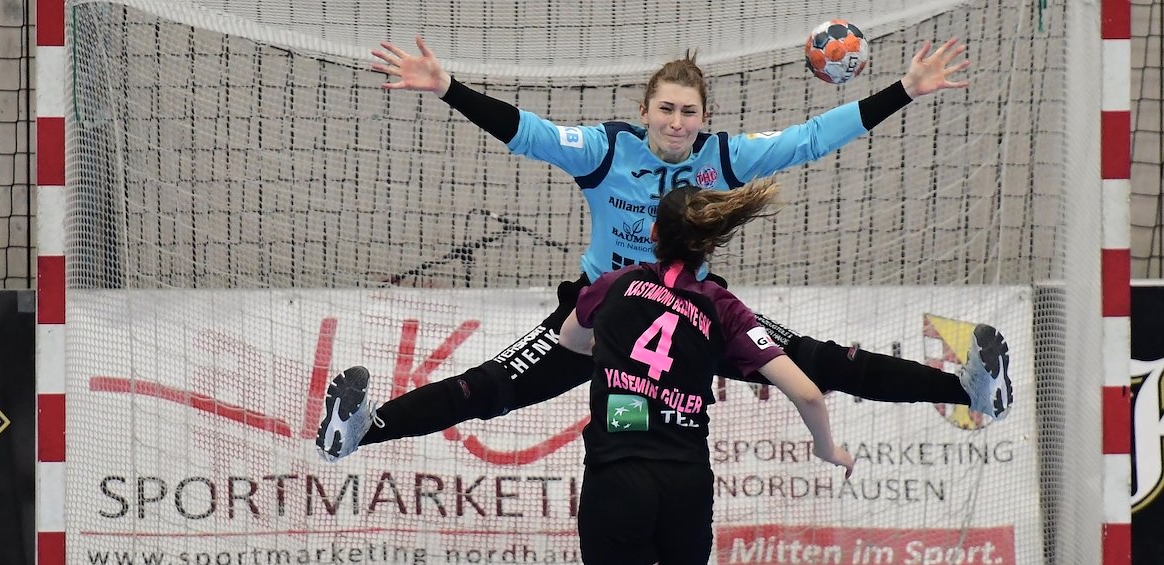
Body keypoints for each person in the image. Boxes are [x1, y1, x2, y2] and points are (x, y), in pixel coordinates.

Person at [315, 36, 1014, 462]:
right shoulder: (605, 149)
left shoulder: (724, 157)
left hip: (692, 315)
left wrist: (903, 90)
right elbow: (528, 132)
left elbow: (810, 139)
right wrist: (448, 88)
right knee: (495, 386)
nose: (677, 123)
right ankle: (361, 431)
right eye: (666, 109)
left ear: (704, 118)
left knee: (818, 361)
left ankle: (966, 390)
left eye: (689, 112)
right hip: (599, 315)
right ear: (645, 109)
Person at [559, 180, 852, 564]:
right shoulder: (723, 307)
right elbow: (809, 394)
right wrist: (827, 449)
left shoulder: (616, 283)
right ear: (709, 245)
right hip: (686, 481)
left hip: (616, 472)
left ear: (653, 232)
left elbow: (569, 340)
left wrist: (611, 348)